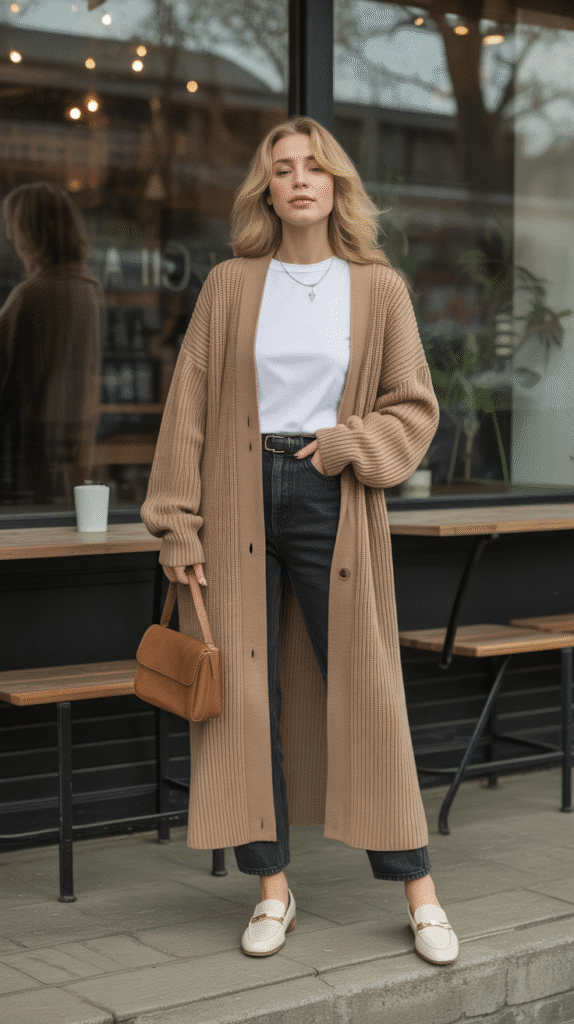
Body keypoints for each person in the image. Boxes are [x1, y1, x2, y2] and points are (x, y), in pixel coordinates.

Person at [141, 116, 459, 966]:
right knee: (244, 704)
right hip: (236, 499)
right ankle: (272, 889)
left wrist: (353, 443)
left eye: (314, 167)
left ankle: (419, 891)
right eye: (283, 169)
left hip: (330, 493)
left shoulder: (378, 287)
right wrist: (177, 523)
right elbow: (190, 408)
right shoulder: (230, 284)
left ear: (337, 185)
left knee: (368, 688)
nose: (300, 180)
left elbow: (414, 405)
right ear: (268, 190)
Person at [0, 182, 101, 505]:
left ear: (32, 231)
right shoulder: (86, 289)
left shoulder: (31, 296)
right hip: (72, 449)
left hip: (29, 456)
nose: (9, 237)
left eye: (13, 226)